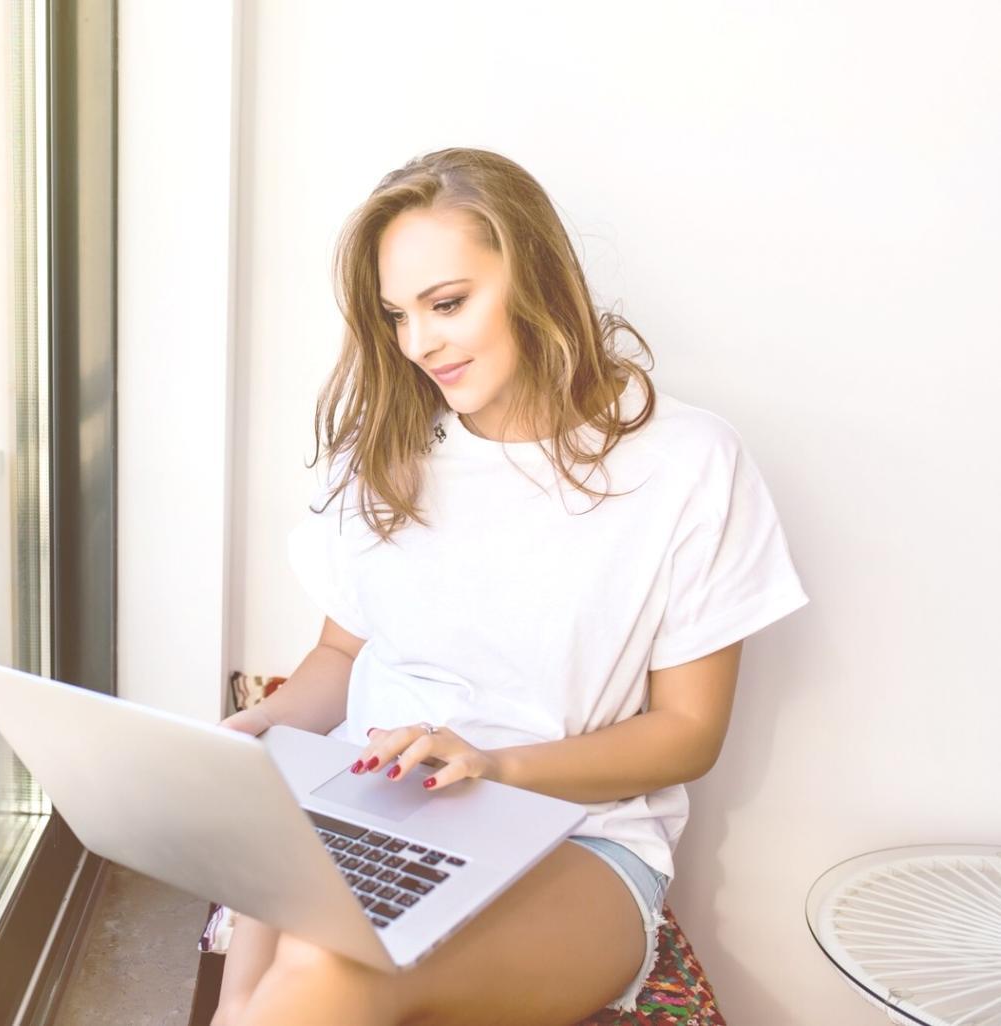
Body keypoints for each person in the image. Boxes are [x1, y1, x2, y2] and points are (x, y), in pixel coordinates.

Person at [211, 147, 809, 1026]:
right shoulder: (382, 452)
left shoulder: (687, 465)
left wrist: (493, 766)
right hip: (365, 811)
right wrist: (249, 736)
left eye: (447, 304)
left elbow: (686, 733)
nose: (418, 344)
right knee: (287, 928)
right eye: (397, 316)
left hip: (579, 842)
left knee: (325, 962)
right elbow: (342, 653)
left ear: (534, 275)